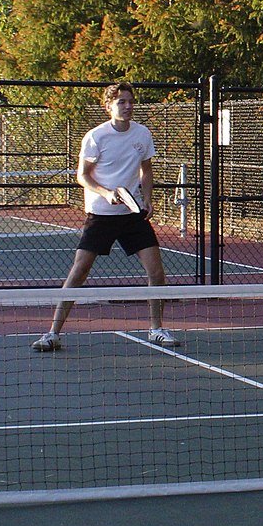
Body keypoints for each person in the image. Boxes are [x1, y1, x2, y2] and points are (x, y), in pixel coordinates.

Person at [33, 82, 174, 351]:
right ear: (108, 106)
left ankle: (156, 329)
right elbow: (82, 176)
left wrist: (147, 198)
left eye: (130, 101)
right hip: (101, 214)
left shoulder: (142, 134)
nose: (128, 106)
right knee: (79, 271)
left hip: (132, 214)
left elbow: (146, 170)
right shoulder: (96, 137)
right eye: (121, 101)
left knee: (156, 273)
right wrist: (106, 193)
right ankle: (52, 333)